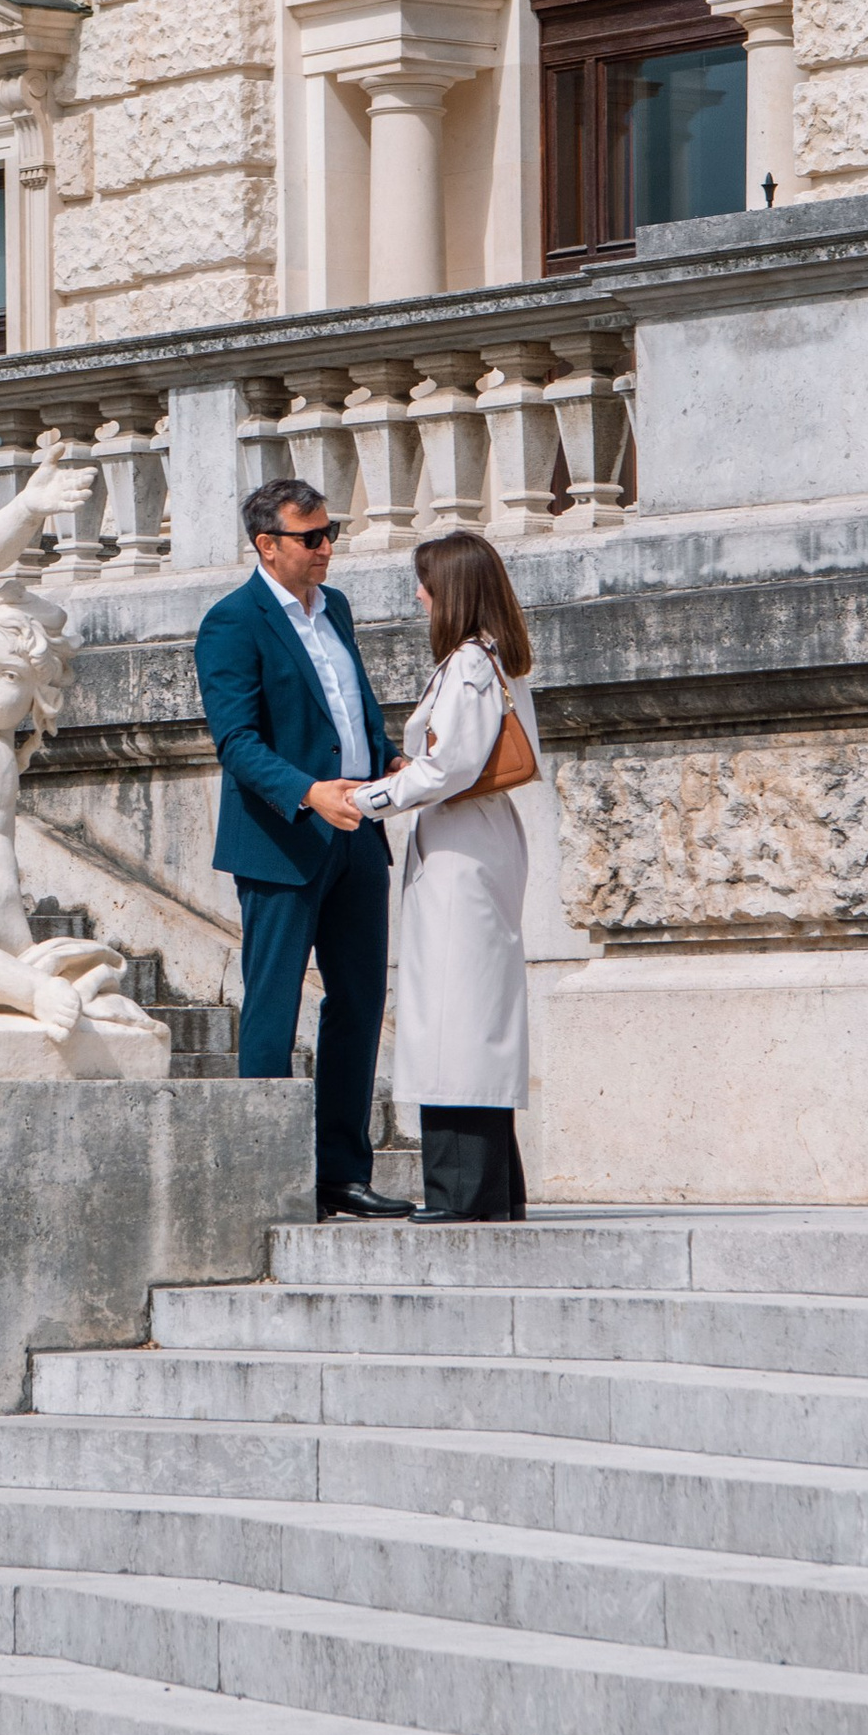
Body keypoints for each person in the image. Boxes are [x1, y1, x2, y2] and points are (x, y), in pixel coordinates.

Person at [194, 476, 412, 1222]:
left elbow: (351, 706)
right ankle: (263, 1176)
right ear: (268, 545)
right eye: (311, 538)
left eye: (330, 533)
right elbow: (237, 742)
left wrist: (386, 759)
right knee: (273, 1006)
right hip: (283, 839)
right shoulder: (232, 623)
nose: (326, 549)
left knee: (358, 1001)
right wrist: (308, 791)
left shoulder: (337, 609)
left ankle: (342, 1175)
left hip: (359, 831)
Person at [353, 531, 539, 1224]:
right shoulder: (497, 658)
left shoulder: (468, 663)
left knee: (456, 1012)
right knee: (474, 1009)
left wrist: (367, 798)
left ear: (452, 591)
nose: (419, 595)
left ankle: (462, 1190)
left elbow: (449, 767)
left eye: (426, 583)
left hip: (463, 840)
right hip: (475, 834)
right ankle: (491, 1188)